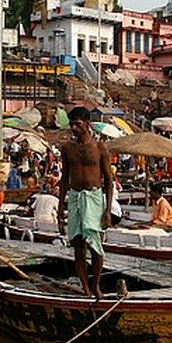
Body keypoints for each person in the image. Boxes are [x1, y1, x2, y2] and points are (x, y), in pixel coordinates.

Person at [58, 106, 114, 298]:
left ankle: (96, 285)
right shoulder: (67, 149)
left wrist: (107, 210)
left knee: (95, 245)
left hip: (94, 198)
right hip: (74, 197)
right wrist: (60, 211)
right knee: (78, 244)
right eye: (71, 124)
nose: (73, 128)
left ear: (87, 124)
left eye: (77, 124)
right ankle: (85, 288)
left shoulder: (100, 148)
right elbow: (64, 179)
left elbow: (109, 180)